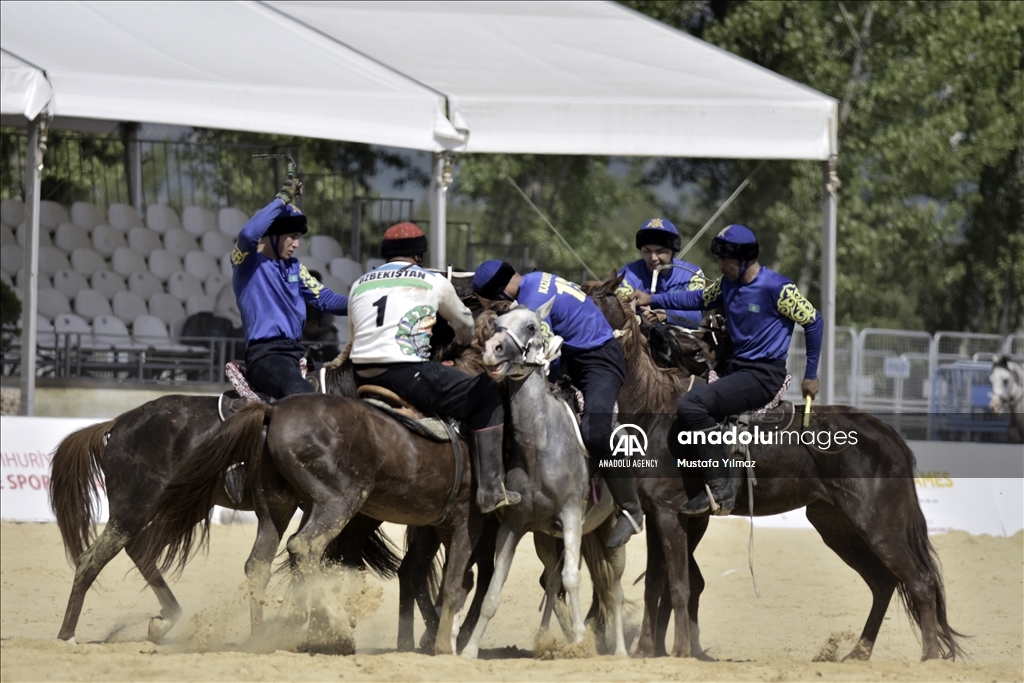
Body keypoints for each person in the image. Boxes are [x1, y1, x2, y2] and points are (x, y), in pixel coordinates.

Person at [631, 224, 822, 515]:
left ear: (745, 259)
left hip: (762, 375)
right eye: (719, 260)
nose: (719, 266)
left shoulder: (778, 288)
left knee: (692, 405)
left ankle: (720, 490)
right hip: (734, 368)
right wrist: (653, 300)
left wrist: (811, 374)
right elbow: (697, 299)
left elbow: (814, 321)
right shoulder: (726, 284)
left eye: (725, 260)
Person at [348, 223, 520, 513]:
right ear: (419, 254)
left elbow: (354, 332)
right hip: (406, 372)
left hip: (361, 372)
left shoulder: (360, 282)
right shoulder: (432, 280)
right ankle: (491, 489)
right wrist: (461, 343)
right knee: (488, 396)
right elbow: (465, 324)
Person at [472, 261, 642, 548]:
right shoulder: (536, 278)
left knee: (595, 432)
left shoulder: (530, 302)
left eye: (493, 302)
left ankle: (631, 509)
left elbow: (543, 354)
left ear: (500, 292)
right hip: (574, 356)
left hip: (599, 361)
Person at [232, 180, 348, 399]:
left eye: (299, 238)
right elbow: (248, 235)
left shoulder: (296, 267)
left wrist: (364, 301)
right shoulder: (246, 263)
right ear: (274, 233)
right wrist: (282, 199)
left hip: (295, 354)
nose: (296, 244)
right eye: (292, 237)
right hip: (265, 357)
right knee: (303, 394)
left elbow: (326, 299)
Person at [616, 218, 704, 328]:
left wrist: (665, 315)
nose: (653, 258)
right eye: (647, 251)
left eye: (660, 251)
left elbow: (696, 318)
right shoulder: (626, 275)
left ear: (672, 251)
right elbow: (616, 312)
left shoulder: (692, 275)